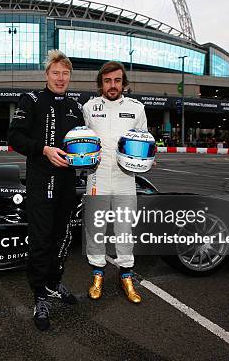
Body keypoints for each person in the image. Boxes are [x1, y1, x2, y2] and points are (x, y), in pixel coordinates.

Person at [8, 49, 85, 331]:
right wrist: (43, 149)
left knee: (62, 237)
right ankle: (40, 295)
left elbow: (82, 146)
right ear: (47, 75)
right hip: (41, 183)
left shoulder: (76, 108)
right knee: (40, 240)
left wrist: (89, 157)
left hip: (67, 184)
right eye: (56, 73)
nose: (61, 78)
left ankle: (54, 283)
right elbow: (14, 137)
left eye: (65, 74)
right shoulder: (31, 101)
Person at [82, 61, 148, 304]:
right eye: (108, 80)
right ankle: (97, 274)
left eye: (117, 80)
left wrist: (149, 159)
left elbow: (144, 141)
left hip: (125, 178)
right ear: (101, 83)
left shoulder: (137, 108)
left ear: (124, 83)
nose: (112, 85)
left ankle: (126, 276)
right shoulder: (89, 108)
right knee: (95, 228)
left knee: (124, 229)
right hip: (97, 177)